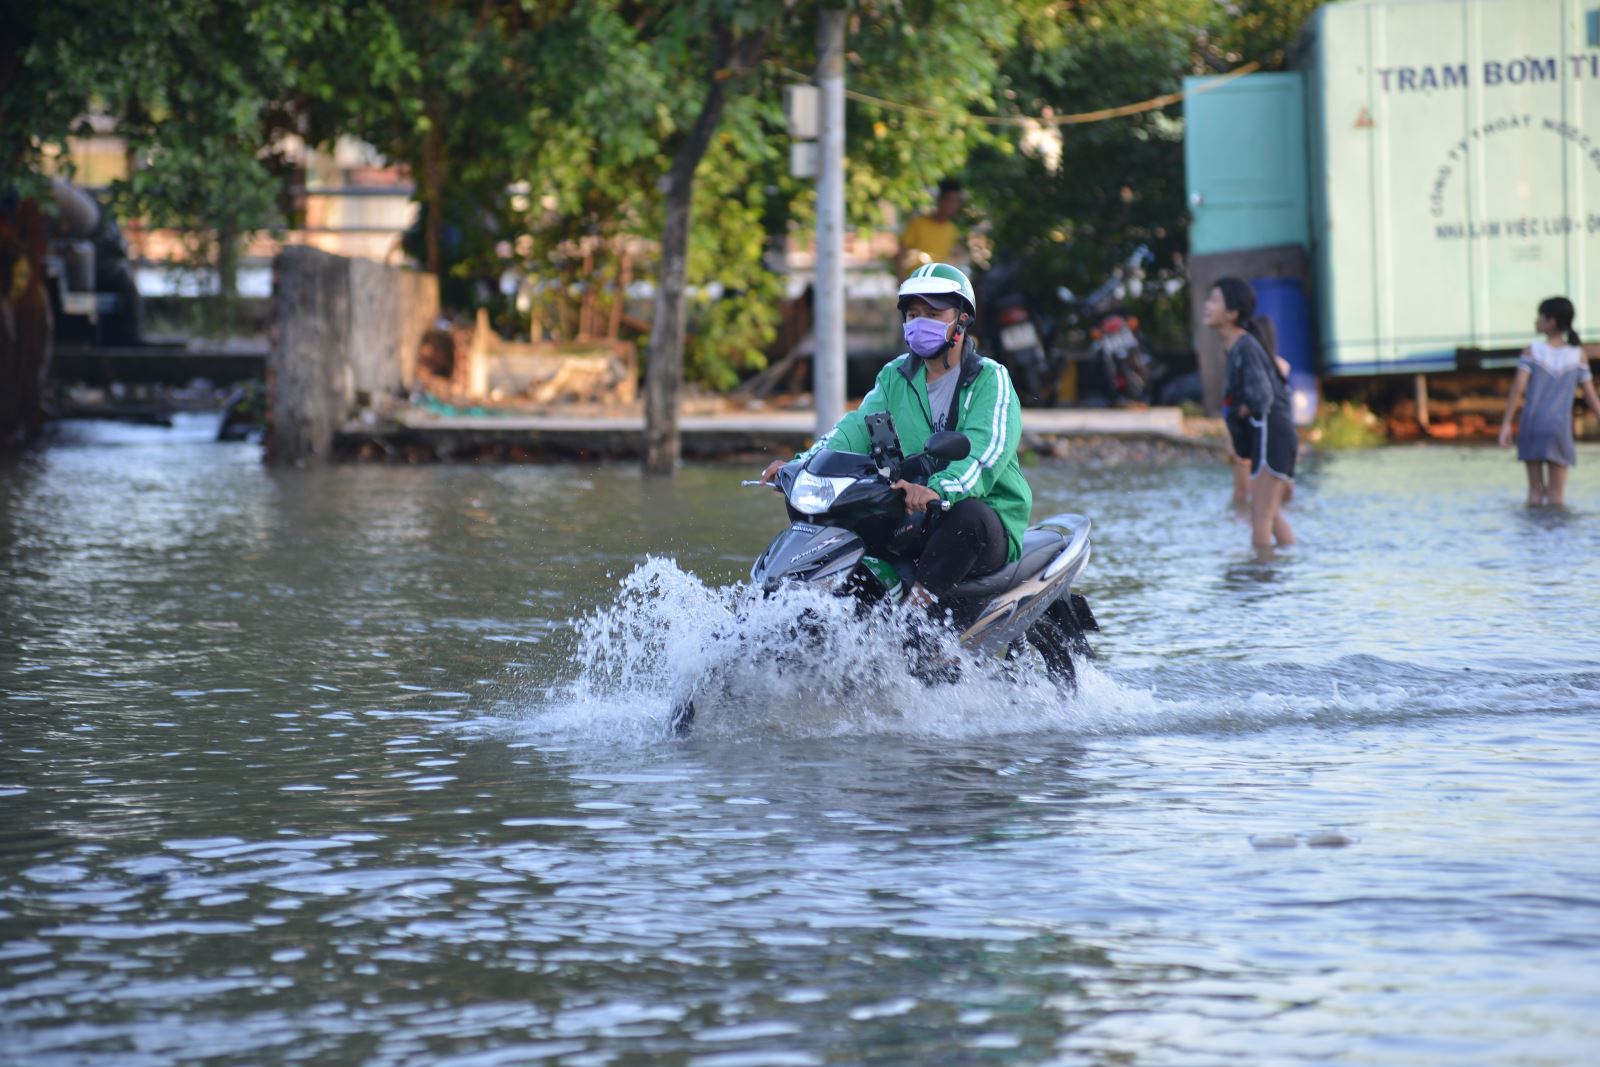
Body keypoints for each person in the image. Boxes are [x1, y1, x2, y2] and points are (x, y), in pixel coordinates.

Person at [759, 262, 1030, 617]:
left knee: (969, 516)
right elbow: (854, 429)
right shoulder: (895, 377)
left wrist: (940, 489)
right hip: (912, 511)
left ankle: (915, 621)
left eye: (933, 313)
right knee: (841, 512)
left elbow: (984, 453)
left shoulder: (990, 379)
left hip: (979, 521)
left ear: (962, 319)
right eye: (914, 313)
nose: (921, 322)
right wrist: (801, 465)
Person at [1205, 277, 1295, 549]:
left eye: (1214, 300)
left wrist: (1239, 410)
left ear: (1232, 314)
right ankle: (1290, 570)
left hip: (1271, 432)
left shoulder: (1245, 346)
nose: (1207, 305)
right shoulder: (1236, 346)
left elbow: (1262, 397)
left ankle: (1259, 582)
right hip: (1269, 434)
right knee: (1271, 512)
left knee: (1261, 516)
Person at [1498, 296, 1600, 506]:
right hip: (1559, 428)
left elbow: (1517, 389)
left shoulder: (1532, 351)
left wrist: (1506, 424)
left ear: (1551, 321)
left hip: (1532, 424)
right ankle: (1555, 538)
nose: (1536, 321)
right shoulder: (1577, 355)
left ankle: (1532, 538)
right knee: (1556, 497)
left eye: (1540, 316)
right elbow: (1591, 397)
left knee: (1535, 493)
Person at [1226, 314, 1293, 506]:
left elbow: (1260, 399)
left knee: (1244, 491)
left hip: (1257, 430)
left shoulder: (1254, 362)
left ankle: (1241, 525)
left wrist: (1240, 414)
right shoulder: (1279, 365)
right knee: (1278, 490)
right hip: (1277, 433)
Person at [897, 179, 965, 278]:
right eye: (950, 201)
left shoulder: (952, 230)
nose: (953, 206)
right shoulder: (918, 224)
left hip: (938, 283)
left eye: (956, 202)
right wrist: (901, 278)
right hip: (916, 283)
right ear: (940, 200)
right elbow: (900, 254)